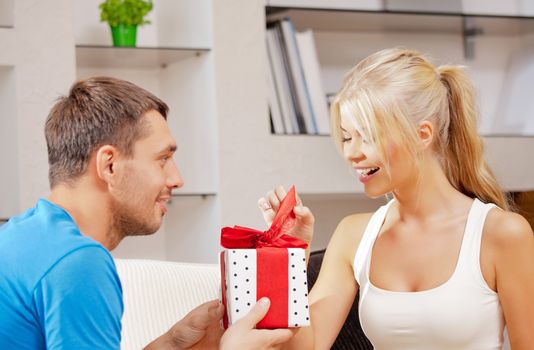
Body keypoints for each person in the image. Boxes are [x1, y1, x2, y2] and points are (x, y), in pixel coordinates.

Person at [258, 48, 534, 349]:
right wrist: (289, 255)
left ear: (423, 134)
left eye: (368, 136)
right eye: (347, 137)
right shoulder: (354, 235)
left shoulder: (502, 234)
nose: (351, 153)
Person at [0, 76, 293, 350]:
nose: (177, 179)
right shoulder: (77, 262)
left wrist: (169, 344)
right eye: (162, 159)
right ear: (110, 166)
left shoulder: (21, 237)